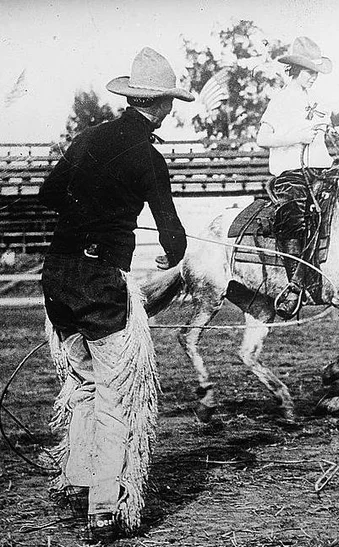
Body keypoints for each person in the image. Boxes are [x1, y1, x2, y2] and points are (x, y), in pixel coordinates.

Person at [39, 47, 192, 543]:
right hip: (102, 281)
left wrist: (87, 207)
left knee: (81, 381)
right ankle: (105, 507)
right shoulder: (148, 157)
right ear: (163, 104)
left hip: (57, 277)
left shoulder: (86, 139)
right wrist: (171, 257)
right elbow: (172, 235)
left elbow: (47, 195)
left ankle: (78, 476)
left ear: (130, 98)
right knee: (115, 390)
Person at [256, 36, 334, 319]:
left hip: (320, 171)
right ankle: (294, 286)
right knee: (293, 215)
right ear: (294, 70)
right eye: (308, 72)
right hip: (290, 175)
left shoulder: (317, 99)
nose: (313, 77)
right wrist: (296, 137)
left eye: (315, 72)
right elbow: (262, 138)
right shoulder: (281, 98)